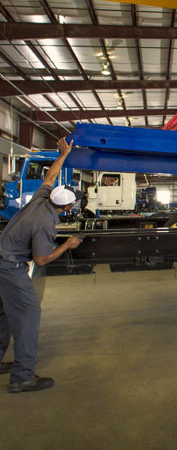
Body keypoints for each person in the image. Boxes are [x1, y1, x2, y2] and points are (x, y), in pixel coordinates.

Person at [0, 137, 83, 393]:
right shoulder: (45, 223)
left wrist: (63, 155)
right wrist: (66, 246)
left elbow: (49, 177)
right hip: (10, 269)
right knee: (28, 316)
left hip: (1, 260)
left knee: (4, 313)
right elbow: (41, 259)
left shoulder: (40, 200)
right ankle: (23, 377)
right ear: (67, 206)